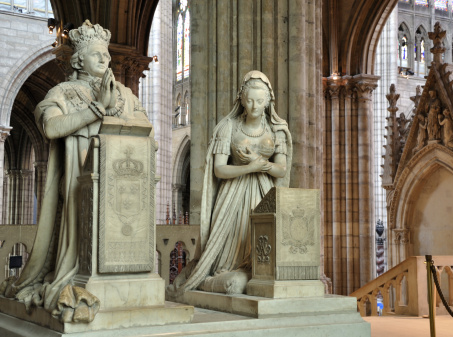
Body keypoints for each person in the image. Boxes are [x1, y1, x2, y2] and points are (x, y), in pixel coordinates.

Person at [0, 20, 151, 322]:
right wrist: (96, 110)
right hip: (78, 174)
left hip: (121, 180)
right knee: (84, 230)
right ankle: (76, 278)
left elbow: (146, 129)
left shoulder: (123, 94)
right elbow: (52, 127)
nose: (105, 60)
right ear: (79, 59)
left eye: (107, 56)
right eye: (98, 55)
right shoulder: (63, 92)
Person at [168, 70, 292, 297]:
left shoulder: (277, 130)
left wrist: (262, 166)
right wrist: (249, 167)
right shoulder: (228, 127)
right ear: (241, 99)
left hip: (265, 195)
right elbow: (219, 169)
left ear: (268, 102)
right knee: (229, 254)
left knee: (262, 245)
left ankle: (257, 275)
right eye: (250, 100)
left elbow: (281, 170)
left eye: (260, 101)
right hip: (232, 197)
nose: (254, 106)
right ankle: (221, 275)